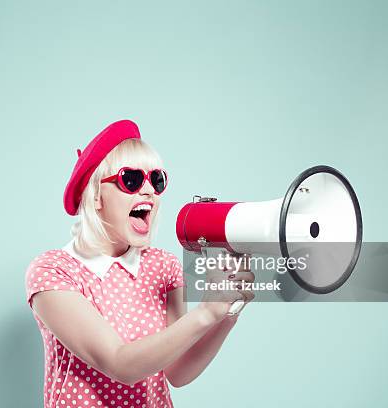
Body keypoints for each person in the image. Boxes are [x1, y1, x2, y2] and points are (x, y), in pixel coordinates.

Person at [25, 119, 254, 407]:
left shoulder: (163, 267)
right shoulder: (53, 271)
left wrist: (227, 311)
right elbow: (120, 364)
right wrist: (206, 312)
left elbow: (178, 372)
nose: (148, 191)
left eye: (156, 180)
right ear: (96, 195)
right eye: (131, 180)